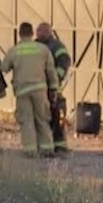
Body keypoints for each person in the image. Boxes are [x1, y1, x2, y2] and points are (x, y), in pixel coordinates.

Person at [1, 22, 59, 158]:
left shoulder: (14, 51)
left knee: (26, 120)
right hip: (40, 90)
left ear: (19, 34)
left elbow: (3, 68)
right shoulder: (43, 50)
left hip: (22, 91)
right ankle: (47, 149)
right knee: (43, 119)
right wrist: (54, 89)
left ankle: (30, 151)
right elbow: (51, 71)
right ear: (32, 33)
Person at [35, 22, 72, 152]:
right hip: (39, 88)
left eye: (42, 31)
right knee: (42, 118)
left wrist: (55, 79)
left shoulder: (56, 46)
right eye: (38, 31)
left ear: (49, 32)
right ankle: (44, 145)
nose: (39, 33)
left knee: (57, 117)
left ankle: (59, 145)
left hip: (53, 89)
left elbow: (64, 62)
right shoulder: (35, 45)